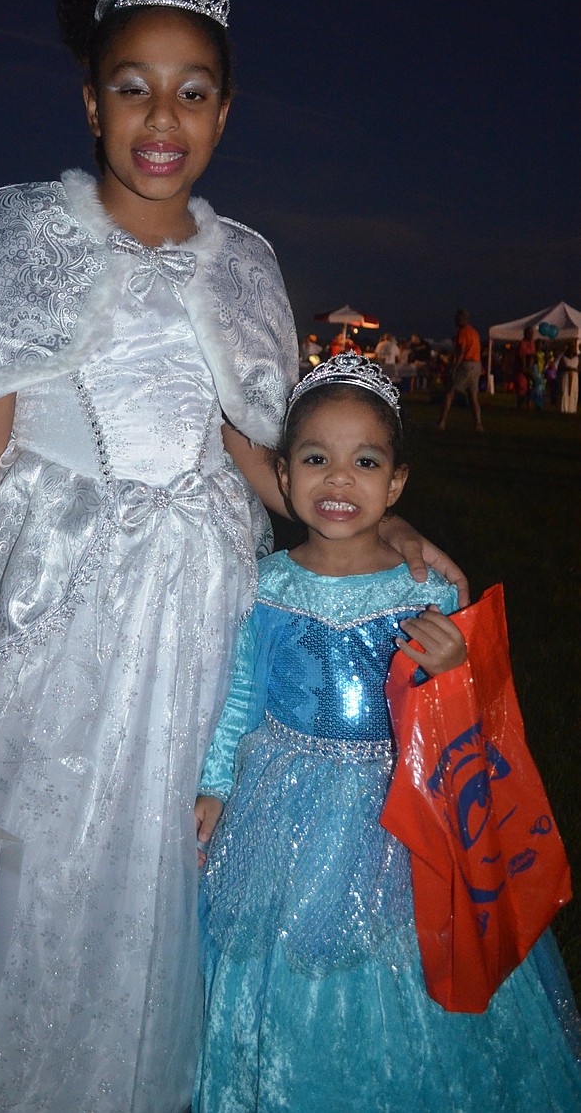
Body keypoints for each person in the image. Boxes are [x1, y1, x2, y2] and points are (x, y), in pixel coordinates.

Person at [0, 0, 466, 1113]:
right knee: (25, 837)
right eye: (132, 84)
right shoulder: (26, 230)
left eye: (191, 90)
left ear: (225, 113)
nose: (160, 115)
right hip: (53, 595)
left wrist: (390, 537)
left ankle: (124, 1073)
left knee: (160, 853)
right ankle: (2, 1069)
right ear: (90, 100)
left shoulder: (243, 264)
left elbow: (258, 449)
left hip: (193, 600)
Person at [193, 355, 581, 1113]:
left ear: (396, 483)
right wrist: (215, 781)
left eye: (364, 461)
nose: (339, 480)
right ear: (282, 471)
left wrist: (451, 664)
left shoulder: (424, 587)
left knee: (395, 947)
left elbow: (464, 724)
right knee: (283, 952)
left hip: (400, 809)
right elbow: (240, 690)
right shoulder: (268, 582)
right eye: (316, 459)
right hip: (284, 801)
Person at [437, 309, 483, 431]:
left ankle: (442, 422)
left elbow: (461, 352)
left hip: (465, 365)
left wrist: (453, 367)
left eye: (457, 318)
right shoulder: (475, 332)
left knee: (450, 392)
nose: (455, 321)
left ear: (462, 319)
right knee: (473, 395)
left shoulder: (462, 333)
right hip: (476, 364)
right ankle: (478, 424)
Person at [513, 323, 536, 409]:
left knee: (530, 387)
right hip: (521, 369)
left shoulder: (532, 344)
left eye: (532, 333)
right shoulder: (522, 344)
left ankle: (528, 405)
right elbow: (522, 360)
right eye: (529, 333)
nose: (531, 335)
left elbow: (532, 356)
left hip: (529, 368)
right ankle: (519, 406)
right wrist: (527, 371)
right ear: (525, 334)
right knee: (522, 387)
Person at [559, 341, 579, 414]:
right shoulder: (564, 358)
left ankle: (572, 409)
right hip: (566, 375)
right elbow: (560, 367)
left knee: (574, 391)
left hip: (574, 376)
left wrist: (573, 369)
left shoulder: (577, 358)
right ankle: (565, 408)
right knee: (565, 391)